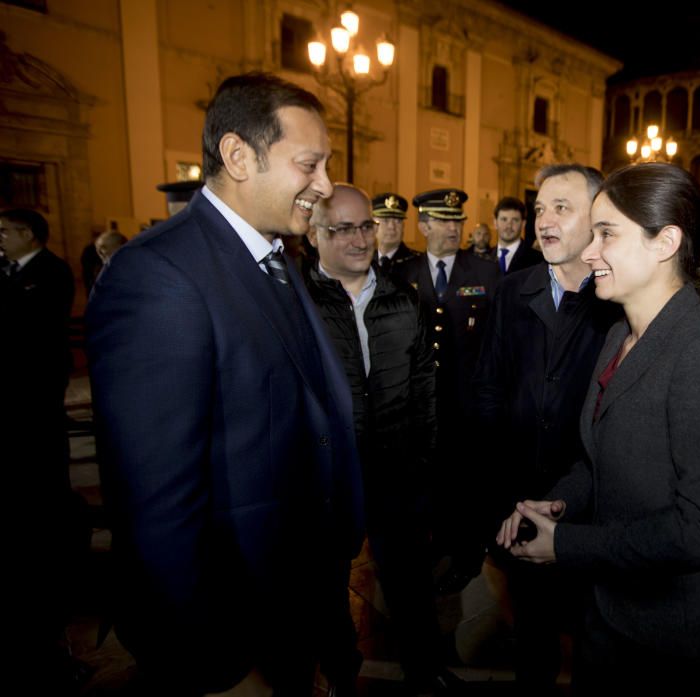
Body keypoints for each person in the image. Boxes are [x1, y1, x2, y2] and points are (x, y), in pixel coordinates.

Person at [86, 72, 364, 696]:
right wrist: (218, 670)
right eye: (309, 164)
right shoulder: (159, 276)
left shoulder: (274, 258)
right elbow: (157, 506)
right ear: (239, 156)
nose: (323, 185)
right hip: (230, 634)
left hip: (293, 600)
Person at [497, 163, 700, 695]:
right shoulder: (619, 335)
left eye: (607, 234)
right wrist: (559, 504)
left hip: (673, 642)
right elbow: (598, 461)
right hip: (609, 618)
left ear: (665, 242)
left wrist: (567, 545)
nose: (589, 253)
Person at [303, 186, 460, 693]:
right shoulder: (297, 306)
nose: (358, 238)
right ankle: (339, 671)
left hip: (398, 470)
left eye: (364, 226)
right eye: (341, 228)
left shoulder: (403, 299)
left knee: (411, 582)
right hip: (326, 477)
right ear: (314, 235)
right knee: (326, 585)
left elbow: (425, 393)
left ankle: (424, 669)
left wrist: (423, 464)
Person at [474, 164, 619, 692]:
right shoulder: (514, 292)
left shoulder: (617, 302)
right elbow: (488, 388)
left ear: (597, 218)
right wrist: (498, 486)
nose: (544, 221)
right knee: (531, 638)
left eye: (562, 208)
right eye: (541, 209)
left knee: (593, 641)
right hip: (520, 500)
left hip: (592, 509)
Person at [396, 188, 501, 595]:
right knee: (430, 479)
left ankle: (466, 554)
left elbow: (496, 341)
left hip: (468, 403)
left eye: (457, 222)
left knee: (466, 481)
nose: (453, 229)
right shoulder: (404, 273)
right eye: (442, 221)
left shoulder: (487, 273)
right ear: (422, 226)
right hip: (422, 403)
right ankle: (436, 544)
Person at [2, 208, 88, 693]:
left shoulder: (50, 273)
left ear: (27, 234)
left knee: (43, 471)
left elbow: (31, 328)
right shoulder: (9, 272)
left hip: (35, 394)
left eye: (4, 231)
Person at [491, 196, 543, 274]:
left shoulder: (537, 260)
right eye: (504, 219)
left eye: (515, 220)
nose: (509, 225)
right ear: (495, 223)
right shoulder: (483, 258)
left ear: (523, 224)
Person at [371, 191, 417, 273]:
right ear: (373, 225)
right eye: (385, 220)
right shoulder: (365, 261)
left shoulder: (419, 263)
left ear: (403, 226)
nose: (392, 227)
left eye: (398, 221)